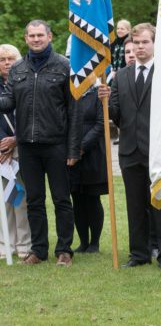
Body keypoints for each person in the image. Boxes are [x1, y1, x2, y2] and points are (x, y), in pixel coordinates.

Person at [0, 20, 81, 267]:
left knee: (61, 199)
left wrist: (73, 148)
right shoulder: (18, 69)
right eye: (32, 36)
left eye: (40, 35)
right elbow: (8, 103)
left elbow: (73, 110)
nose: (36, 39)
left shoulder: (64, 66)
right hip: (27, 146)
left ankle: (64, 250)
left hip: (56, 144)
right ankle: (38, 250)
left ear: (49, 36)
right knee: (34, 200)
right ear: (25, 39)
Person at [99, 23, 161, 270]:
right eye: (136, 44)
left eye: (145, 42)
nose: (140, 47)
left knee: (160, 203)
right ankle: (139, 253)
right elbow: (117, 114)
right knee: (134, 205)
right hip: (130, 149)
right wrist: (104, 101)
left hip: (158, 149)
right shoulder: (121, 76)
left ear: (155, 44)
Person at [0, 44, 31, 259]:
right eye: (2, 59)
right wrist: (2, 144)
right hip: (1, 150)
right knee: (2, 201)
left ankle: (24, 245)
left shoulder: (26, 81)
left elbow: (33, 114)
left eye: (11, 58)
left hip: (22, 148)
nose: (7, 63)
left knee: (21, 199)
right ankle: (5, 245)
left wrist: (15, 141)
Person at [68, 83, 107, 253]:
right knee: (76, 198)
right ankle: (83, 242)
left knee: (92, 199)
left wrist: (81, 147)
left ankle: (94, 243)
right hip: (71, 154)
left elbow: (101, 124)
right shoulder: (69, 93)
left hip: (93, 152)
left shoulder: (98, 93)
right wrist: (72, 149)